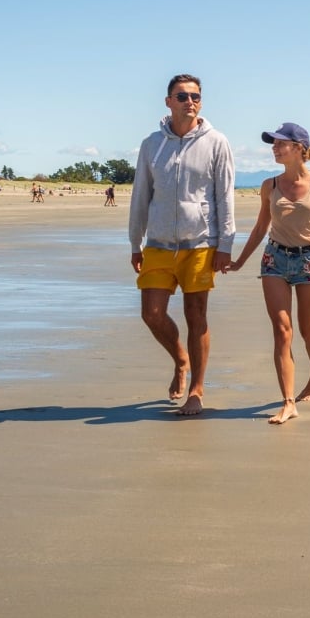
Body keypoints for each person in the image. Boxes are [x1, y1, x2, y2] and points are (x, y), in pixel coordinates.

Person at [128, 74, 235, 416]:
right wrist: (135, 242)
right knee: (152, 313)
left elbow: (224, 196)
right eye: (182, 96)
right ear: (168, 101)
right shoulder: (151, 145)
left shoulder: (216, 142)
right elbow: (141, 195)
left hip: (201, 243)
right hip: (158, 243)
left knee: (196, 315)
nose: (190, 101)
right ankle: (180, 359)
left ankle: (197, 390)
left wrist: (225, 244)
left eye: (195, 96)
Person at [229, 122, 310, 425]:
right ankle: (288, 401)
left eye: (281, 143)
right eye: (273, 144)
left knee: (307, 331)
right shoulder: (270, 185)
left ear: (299, 148)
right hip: (275, 259)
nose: (275, 148)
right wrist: (239, 261)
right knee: (282, 331)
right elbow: (260, 227)